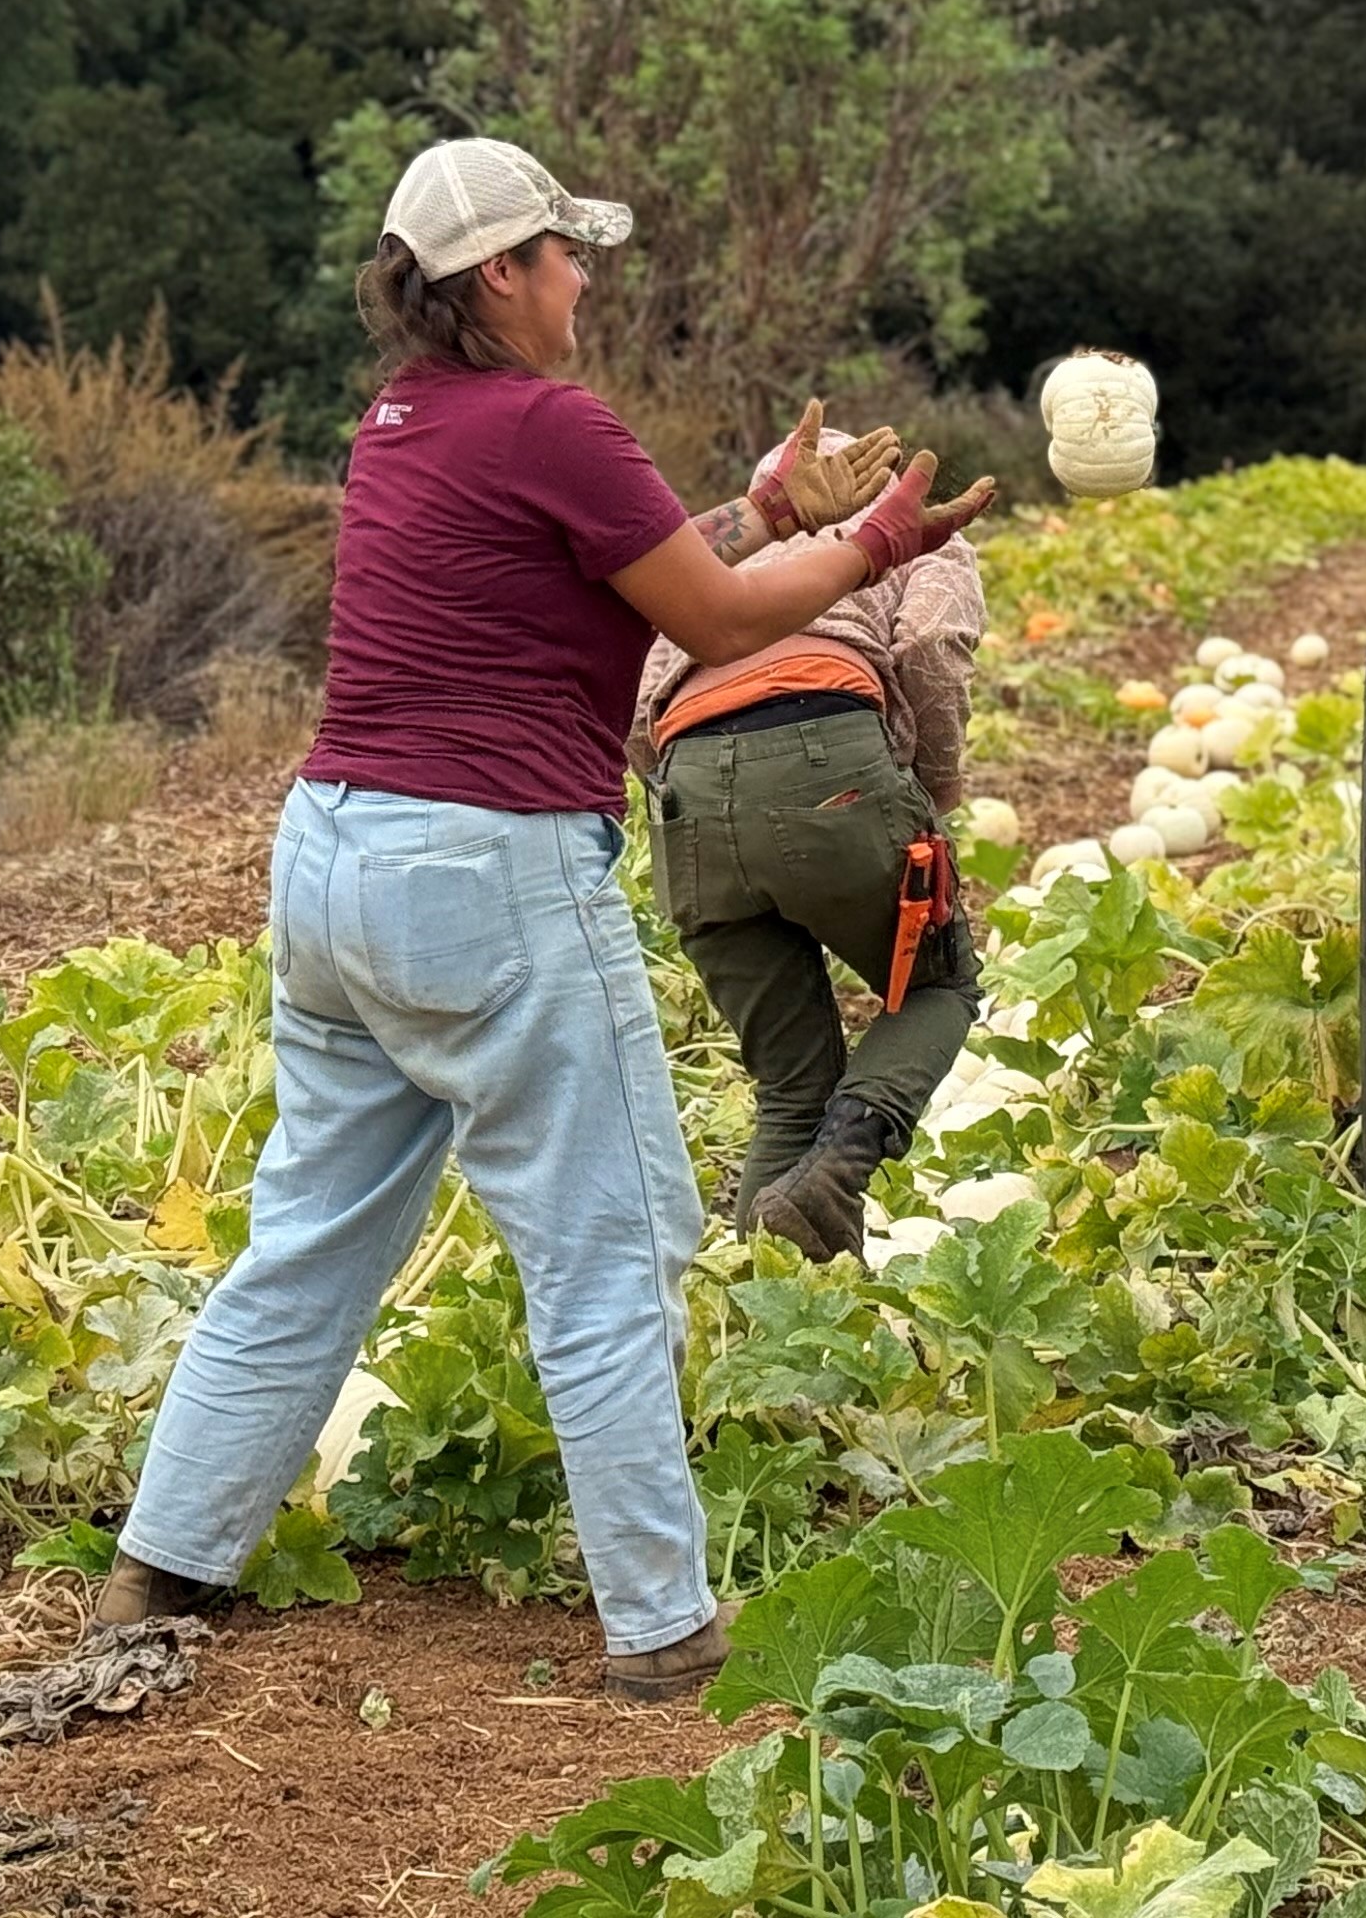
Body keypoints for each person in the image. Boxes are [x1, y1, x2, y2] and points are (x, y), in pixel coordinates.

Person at [98, 136, 994, 1696]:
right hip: (486, 872)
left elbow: (631, 580)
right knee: (616, 1243)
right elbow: (705, 622)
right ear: (498, 273)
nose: (586, 275)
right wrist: (868, 549)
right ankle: (663, 1630)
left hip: (331, 863)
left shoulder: (400, 425)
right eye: (566, 252)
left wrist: (774, 503)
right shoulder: (554, 421)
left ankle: (161, 1568)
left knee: (304, 1242)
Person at [629, 463, 987, 1260]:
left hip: (683, 791)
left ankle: (777, 1330)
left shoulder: (723, 553)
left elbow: (638, 685)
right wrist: (931, 789)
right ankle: (841, 1164)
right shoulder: (915, 538)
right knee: (941, 986)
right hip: (829, 753)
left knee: (791, 1087)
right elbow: (929, 638)